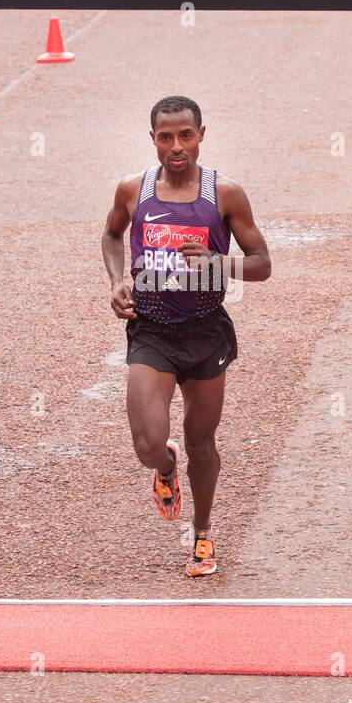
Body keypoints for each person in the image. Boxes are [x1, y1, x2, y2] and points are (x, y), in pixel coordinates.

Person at [101, 96, 271, 577]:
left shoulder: (226, 195)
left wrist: (218, 263)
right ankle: (164, 469)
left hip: (204, 332)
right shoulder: (134, 190)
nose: (176, 146)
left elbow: (262, 265)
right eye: (165, 137)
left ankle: (201, 533)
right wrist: (117, 280)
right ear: (152, 138)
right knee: (147, 444)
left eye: (185, 135)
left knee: (202, 443)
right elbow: (113, 236)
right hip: (151, 329)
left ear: (201, 134)